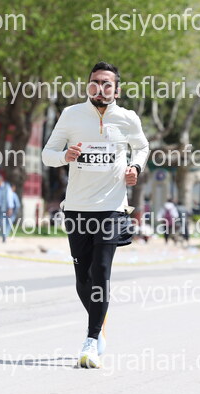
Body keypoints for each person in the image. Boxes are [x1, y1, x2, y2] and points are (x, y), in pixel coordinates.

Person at [42, 61, 149, 368]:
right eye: (94, 82)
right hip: (78, 207)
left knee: (101, 271)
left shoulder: (127, 118)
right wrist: (65, 156)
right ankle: (99, 323)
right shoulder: (71, 115)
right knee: (83, 278)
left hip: (112, 207)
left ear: (117, 89)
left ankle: (90, 340)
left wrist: (135, 167)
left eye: (106, 83)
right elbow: (47, 155)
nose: (99, 88)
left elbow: (142, 147)